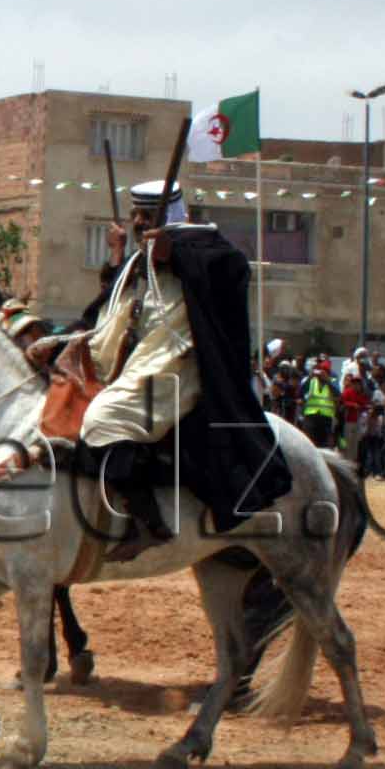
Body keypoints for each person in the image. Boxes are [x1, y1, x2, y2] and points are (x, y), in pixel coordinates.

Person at [76, 178, 289, 558]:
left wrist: (175, 254)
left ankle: (147, 522)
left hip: (181, 363)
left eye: (146, 215)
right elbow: (109, 304)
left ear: (169, 212)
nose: (139, 222)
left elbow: (231, 270)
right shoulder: (142, 255)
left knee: (102, 419)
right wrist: (117, 253)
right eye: (136, 215)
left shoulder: (203, 245)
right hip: (139, 361)